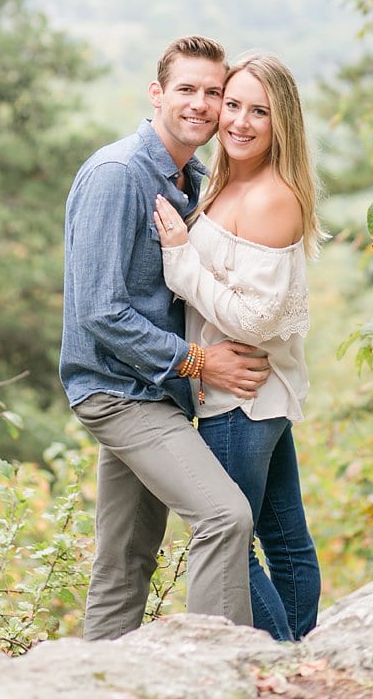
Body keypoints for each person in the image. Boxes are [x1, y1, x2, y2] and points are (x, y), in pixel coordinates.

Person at [59, 35, 271, 639]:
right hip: (119, 392)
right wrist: (201, 362)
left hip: (158, 391)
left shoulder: (193, 178)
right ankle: (213, 671)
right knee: (225, 518)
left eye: (215, 93)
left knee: (125, 560)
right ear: (156, 94)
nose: (202, 105)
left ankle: (101, 678)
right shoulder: (118, 175)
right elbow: (100, 310)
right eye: (187, 89)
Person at [152, 51, 326, 641]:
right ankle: (305, 661)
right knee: (284, 540)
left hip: (240, 400)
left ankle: (284, 666)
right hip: (260, 398)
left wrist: (179, 258)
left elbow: (253, 322)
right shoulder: (227, 180)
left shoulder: (271, 196)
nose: (240, 122)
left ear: (284, 123)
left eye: (260, 111)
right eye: (233, 105)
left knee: (232, 548)